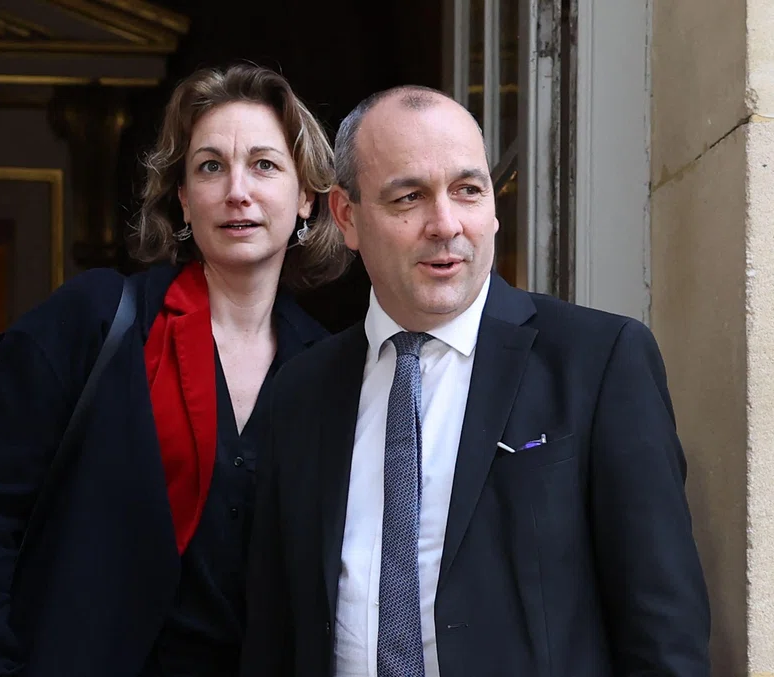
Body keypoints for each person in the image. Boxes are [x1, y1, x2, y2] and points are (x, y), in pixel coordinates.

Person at [0, 64, 349, 677]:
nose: (237, 190)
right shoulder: (96, 319)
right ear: (183, 199)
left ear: (307, 198)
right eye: (210, 167)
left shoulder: (327, 370)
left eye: (264, 165)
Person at [242, 85, 711, 677]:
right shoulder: (301, 392)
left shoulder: (599, 362)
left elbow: (664, 633)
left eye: (468, 190)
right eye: (409, 197)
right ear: (346, 217)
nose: (446, 224)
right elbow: (273, 631)